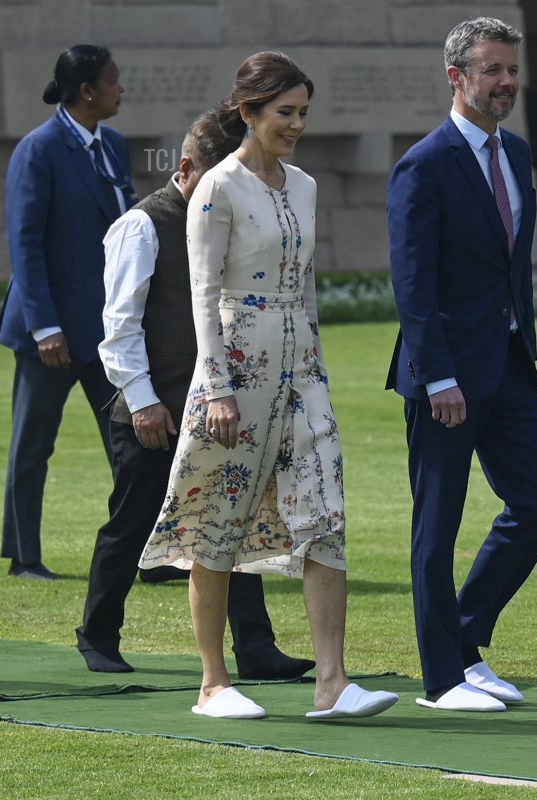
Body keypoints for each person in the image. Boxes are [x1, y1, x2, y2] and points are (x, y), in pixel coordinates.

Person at [138, 51, 397, 722]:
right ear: (249, 113)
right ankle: (213, 684)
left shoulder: (305, 186)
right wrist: (217, 387)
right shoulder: (217, 189)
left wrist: (314, 367)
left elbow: (305, 287)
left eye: (304, 112)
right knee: (216, 517)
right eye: (286, 112)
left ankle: (333, 684)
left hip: (300, 367)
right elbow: (202, 295)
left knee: (325, 510)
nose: (297, 124)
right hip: (234, 370)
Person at [77, 108, 315, 680]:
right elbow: (120, 326)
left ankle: (255, 648)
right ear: (188, 169)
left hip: (222, 403)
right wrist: (142, 401)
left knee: (234, 520)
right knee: (131, 521)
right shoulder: (142, 225)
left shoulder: (232, 221)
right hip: (154, 407)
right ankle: (98, 635)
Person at [387, 16, 537, 713]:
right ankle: (441, 681)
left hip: (511, 364)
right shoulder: (422, 166)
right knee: (437, 528)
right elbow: (413, 283)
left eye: (511, 71)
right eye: (492, 70)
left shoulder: (517, 155)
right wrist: (438, 376)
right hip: (446, 378)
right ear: (457, 77)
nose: (506, 83)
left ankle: (465, 636)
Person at [0, 45, 135, 580]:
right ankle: (24, 558)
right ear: (87, 91)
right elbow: (25, 244)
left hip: (106, 331)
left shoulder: (117, 146)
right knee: (33, 446)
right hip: (48, 333)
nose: (121, 89)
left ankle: (143, 555)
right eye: (114, 81)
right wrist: (45, 327)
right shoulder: (38, 150)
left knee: (131, 443)